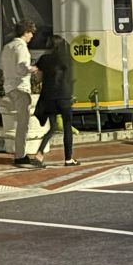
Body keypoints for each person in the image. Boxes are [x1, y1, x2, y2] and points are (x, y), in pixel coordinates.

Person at [33, 35, 80, 167]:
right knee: (67, 127)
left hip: (49, 98)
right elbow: (70, 79)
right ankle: (68, 159)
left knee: (52, 127)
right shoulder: (67, 59)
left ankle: (39, 154)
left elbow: (38, 78)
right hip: (64, 97)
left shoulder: (44, 59)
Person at [0, 19, 39, 168]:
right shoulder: (21, 47)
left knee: (20, 123)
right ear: (25, 32)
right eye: (31, 33)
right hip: (20, 88)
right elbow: (22, 68)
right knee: (23, 124)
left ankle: (20, 154)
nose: (32, 36)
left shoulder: (7, 47)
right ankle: (20, 156)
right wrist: (33, 69)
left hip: (9, 87)